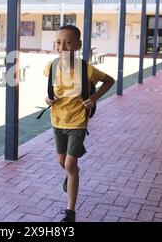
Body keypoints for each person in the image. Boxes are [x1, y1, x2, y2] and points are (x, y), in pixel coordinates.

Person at [43, 25, 115, 222]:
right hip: (57, 121)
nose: (62, 46)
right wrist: (48, 100)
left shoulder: (87, 69)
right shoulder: (51, 66)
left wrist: (94, 98)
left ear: (78, 45)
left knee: (69, 162)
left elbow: (109, 80)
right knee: (62, 162)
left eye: (68, 42)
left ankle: (70, 212)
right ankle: (71, 175)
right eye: (58, 42)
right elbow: (49, 93)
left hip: (77, 123)